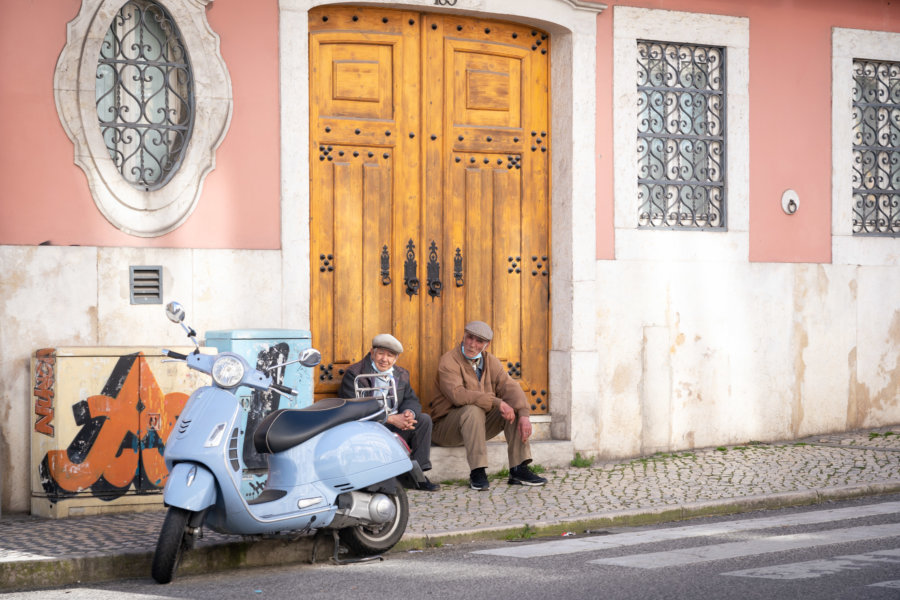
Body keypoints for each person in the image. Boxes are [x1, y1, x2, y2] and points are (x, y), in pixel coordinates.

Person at [431, 321, 548, 490]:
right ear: (463, 335)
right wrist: (497, 402)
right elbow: (458, 395)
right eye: (470, 337)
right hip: (446, 429)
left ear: (487, 344)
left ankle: (518, 468)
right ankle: (477, 471)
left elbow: (511, 387)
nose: (472, 344)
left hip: (477, 427)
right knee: (472, 409)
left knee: (513, 406)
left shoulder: (490, 361)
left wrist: (524, 415)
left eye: (479, 341)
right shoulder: (448, 361)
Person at [338, 333, 440, 492]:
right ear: (372, 352)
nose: (384, 359)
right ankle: (383, 477)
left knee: (424, 420)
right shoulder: (355, 373)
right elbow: (353, 410)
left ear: (396, 358)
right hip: (369, 426)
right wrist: (390, 419)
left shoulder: (401, 373)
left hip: (394, 425)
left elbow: (411, 399)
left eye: (390, 355)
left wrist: (408, 413)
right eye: (381, 353)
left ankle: (417, 475)